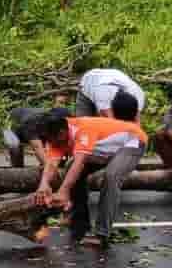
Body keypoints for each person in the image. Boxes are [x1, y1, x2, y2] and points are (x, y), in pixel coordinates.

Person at [42, 90, 148, 249]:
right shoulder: (54, 137)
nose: (53, 145)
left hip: (132, 142)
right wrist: (43, 185)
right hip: (105, 150)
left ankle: (102, 234)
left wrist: (63, 191)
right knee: (71, 169)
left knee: (111, 176)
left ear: (63, 133)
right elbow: (51, 164)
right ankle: (80, 224)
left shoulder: (83, 129)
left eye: (54, 141)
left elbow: (80, 162)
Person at [2, 106, 73, 197]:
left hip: (32, 122)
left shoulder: (53, 122)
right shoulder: (32, 124)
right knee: (15, 146)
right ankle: (18, 176)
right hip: (11, 124)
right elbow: (37, 148)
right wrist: (51, 170)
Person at [76, 67, 145, 118]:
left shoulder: (139, 97)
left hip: (110, 79)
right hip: (89, 83)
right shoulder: (103, 94)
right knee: (85, 125)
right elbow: (109, 122)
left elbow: (136, 124)